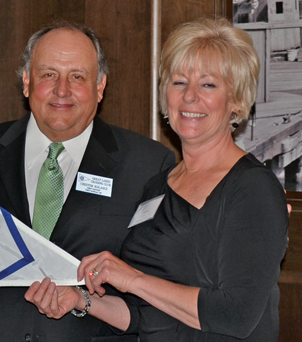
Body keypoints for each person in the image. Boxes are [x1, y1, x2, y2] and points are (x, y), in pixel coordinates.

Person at [0, 20, 175, 341]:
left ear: (100, 86)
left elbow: (156, 291)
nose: (62, 89)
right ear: (26, 82)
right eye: (48, 74)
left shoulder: (147, 164)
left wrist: (86, 301)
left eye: (77, 77)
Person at [26, 18, 289, 341]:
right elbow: (143, 314)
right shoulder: (157, 185)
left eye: (208, 85)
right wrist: (82, 300)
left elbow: (236, 314)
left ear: (236, 100)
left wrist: (132, 279)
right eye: (179, 83)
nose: (190, 97)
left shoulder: (253, 188)